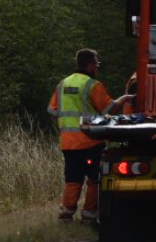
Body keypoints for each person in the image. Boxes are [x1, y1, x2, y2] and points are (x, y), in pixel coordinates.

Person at [47, 49, 114, 224]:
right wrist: (125, 99)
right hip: (90, 142)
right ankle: (89, 215)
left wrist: (62, 130)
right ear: (91, 66)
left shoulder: (62, 84)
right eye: (97, 64)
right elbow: (109, 109)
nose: (97, 68)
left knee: (72, 178)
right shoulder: (93, 85)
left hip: (68, 143)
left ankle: (66, 213)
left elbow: (53, 112)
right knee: (95, 179)